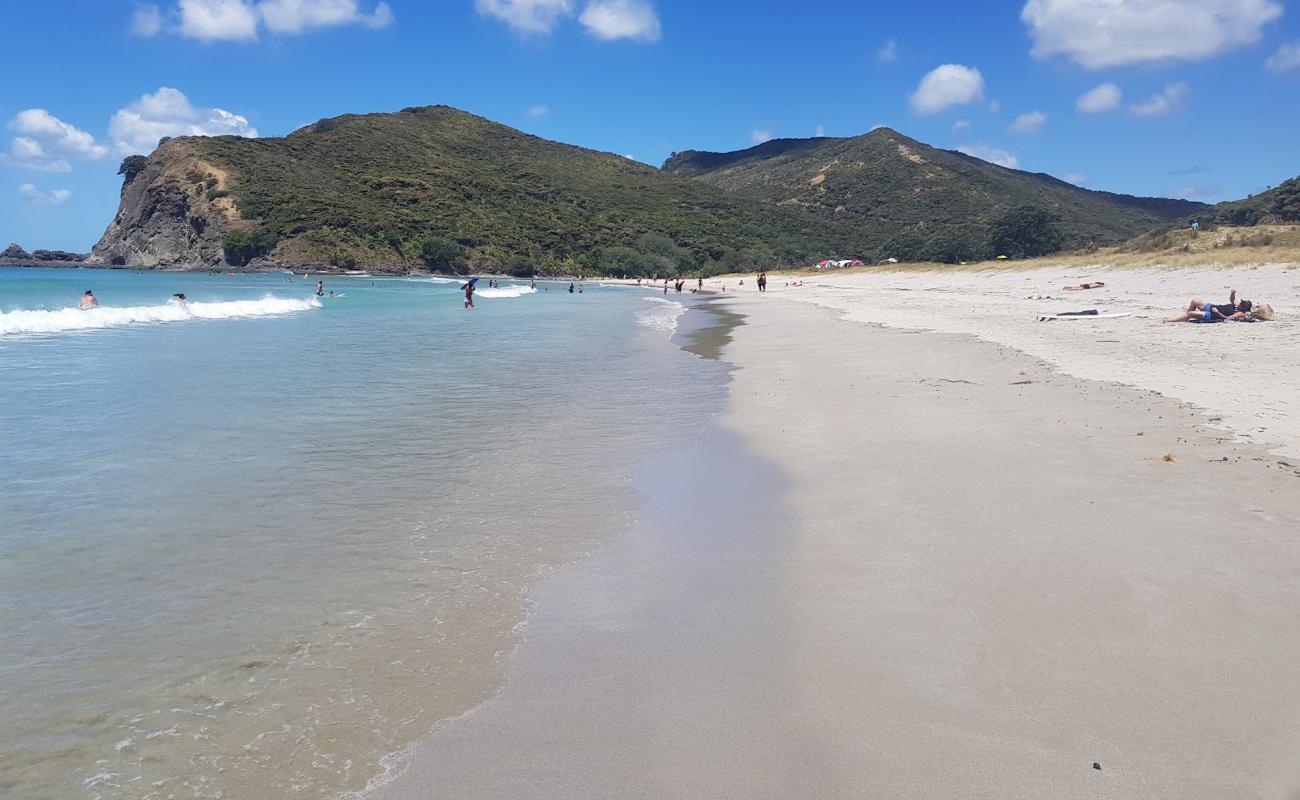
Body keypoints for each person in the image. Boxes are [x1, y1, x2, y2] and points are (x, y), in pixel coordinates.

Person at [1163, 289, 1253, 323]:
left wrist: (1217, 312)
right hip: (1212, 307)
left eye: (1242, 303)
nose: (1240, 303)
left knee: (1190, 313)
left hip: (1212, 314)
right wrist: (1233, 293)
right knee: (1194, 301)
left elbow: (1227, 318)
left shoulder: (1239, 312)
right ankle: (1184, 317)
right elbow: (1232, 299)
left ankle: (1169, 320)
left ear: (1244, 307)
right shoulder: (1237, 306)